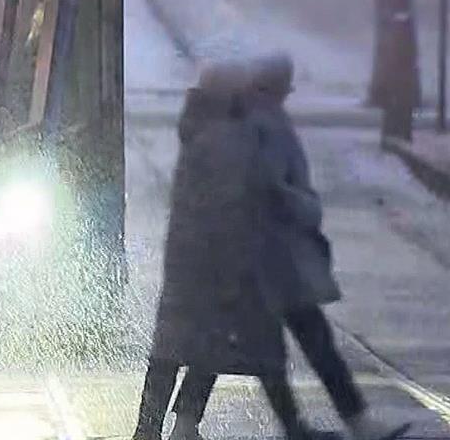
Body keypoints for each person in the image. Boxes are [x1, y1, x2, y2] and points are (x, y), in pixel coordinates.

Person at [168, 55, 409, 440]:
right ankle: (340, 423)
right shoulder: (258, 126)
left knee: (233, 343)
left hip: (262, 256)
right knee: (291, 345)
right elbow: (269, 187)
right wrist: (302, 206)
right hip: (269, 258)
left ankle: (189, 424)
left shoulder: (242, 123)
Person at [132, 62, 331, 440]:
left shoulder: (200, 128)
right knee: (200, 343)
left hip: (189, 256)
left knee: (182, 344)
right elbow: (238, 199)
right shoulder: (224, 137)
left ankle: (159, 427)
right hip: (212, 258)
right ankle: (174, 425)